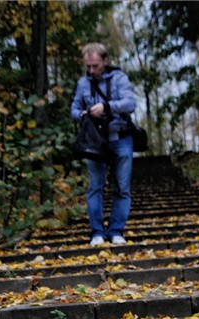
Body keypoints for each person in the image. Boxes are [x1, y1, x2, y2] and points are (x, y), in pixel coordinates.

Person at [70, 42, 137, 245]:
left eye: (96, 66)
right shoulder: (83, 83)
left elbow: (130, 103)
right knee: (95, 187)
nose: (92, 70)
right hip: (95, 142)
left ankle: (116, 230)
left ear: (105, 61)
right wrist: (82, 114)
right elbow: (74, 108)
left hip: (121, 137)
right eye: (88, 66)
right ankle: (97, 232)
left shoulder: (119, 78)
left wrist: (107, 107)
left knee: (122, 187)